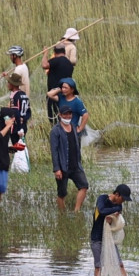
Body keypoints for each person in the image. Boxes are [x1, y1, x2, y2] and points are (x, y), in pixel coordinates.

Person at [49, 79, 89, 212]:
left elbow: (85, 115)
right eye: (65, 114)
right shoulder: (55, 131)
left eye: (69, 114)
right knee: (61, 193)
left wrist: (80, 128)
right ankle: (62, 214)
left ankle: (76, 211)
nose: (67, 116)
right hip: (62, 167)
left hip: (75, 165)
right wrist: (57, 169)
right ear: (59, 115)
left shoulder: (73, 127)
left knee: (84, 186)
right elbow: (54, 151)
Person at [90, 183, 129, 276]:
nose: (123, 201)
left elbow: (115, 215)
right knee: (98, 266)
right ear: (117, 194)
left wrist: (113, 213)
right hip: (96, 238)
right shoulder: (102, 199)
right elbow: (102, 210)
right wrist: (114, 211)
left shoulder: (118, 206)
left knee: (120, 264)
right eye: (123, 198)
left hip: (109, 239)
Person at [42, 45, 72, 120]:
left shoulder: (56, 60)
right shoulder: (69, 63)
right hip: (66, 94)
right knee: (64, 117)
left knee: (53, 118)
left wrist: (45, 53)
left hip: (54, 94)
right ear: (64, 52)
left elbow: (44, 65)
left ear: (54, 53)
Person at [1, 72, 32, 144]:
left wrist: (19, 128)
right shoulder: (24, 95)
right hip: (24, 126)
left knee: (17, 149)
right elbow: (29, 112)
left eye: (8, 82)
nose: (7, 84)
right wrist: (24, 119)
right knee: (22, 146)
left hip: (16, 128)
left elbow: (16, 112)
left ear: (12, 84)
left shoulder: (14, 97)